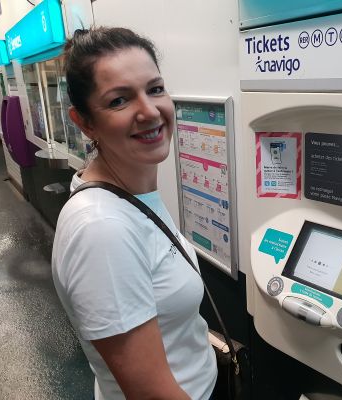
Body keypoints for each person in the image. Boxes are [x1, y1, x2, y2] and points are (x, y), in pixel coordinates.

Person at [51, 27, 217, 400]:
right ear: (84, 122)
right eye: (119, 100)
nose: (149, 111)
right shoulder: (101, 229)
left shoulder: (133, 195)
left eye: (155, 89)